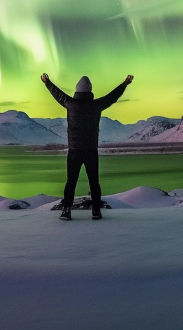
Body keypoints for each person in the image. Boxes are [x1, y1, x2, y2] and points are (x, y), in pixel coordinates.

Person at [41, 72, 134, 220]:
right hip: (91, 150)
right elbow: (112, 96)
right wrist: (124, 84)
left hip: (74, 150)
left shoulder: (70, 103)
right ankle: (96, 211)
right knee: (94, 182)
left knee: (71, 182)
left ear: (77, 91)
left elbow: (57, 94)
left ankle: (66, 210)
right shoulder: (96, 105)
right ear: (90, 91)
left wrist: (47, 82)